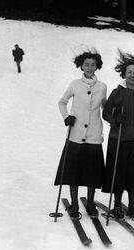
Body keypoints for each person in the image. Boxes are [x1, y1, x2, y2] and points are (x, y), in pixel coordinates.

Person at [54, 50, 107, 218]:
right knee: (73, 171)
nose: (89, 68)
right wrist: (67, 116)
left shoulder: (102, 87)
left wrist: (114, 112)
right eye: (86, 65)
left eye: (92, 65)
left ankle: (91, 203)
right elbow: (62, 102)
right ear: (81, 66)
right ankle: (75, 204)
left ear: (97, 66)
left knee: (92, 170)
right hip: (75, 133)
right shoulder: (75, 84)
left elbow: (105, 107)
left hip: (93, 134)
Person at [102, 49, 134, 219]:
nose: (132, 75)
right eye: (129, 72)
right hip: (119, 138)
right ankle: (116, 206)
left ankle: (131, 206)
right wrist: (115, 119)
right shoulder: (117, 92)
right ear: (124, 74)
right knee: (119, 172)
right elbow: (106, 113)